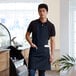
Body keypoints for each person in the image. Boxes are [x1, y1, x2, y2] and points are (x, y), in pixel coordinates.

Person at [26, 3, 56, 76]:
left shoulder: (51, 26)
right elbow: (27, 35)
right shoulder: (33, 23)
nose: (41, 13)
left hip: (44, 52)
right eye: (40, 11)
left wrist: (52, 54)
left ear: (47, 12)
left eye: (43, 11)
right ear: (38, 12)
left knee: (42, 73)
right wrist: (31, 43)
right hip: (34, 51)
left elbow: (52, 41)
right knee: (31, 72)